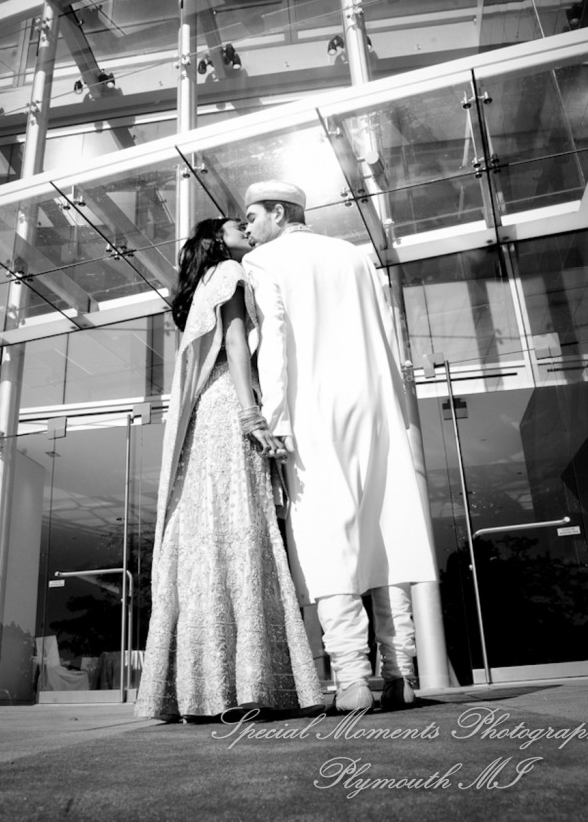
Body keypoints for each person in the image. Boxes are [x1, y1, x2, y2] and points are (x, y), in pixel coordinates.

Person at [242, 181, 437, 714]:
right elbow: (387, 334)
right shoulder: (355, 255)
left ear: (278, 213)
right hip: (375, 405)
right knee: (387, 531)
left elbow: (274, 343)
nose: (248, 228)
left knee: (326, 537)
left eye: (252, 217)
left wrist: (274, 421)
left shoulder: (263, 261)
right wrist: (397, 409)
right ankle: (401, 674)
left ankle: (351, 679)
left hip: (313, 410)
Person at [134, 217, 324, 722]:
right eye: (238, 225)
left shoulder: (202, 284)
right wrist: (250, 414)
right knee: (241, 526)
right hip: (230, 402)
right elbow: (237, 343)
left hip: (205, 412)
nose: (247, 228)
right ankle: (249, 682)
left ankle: (199, 687)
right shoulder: (231, 273)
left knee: (206, 533)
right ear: (219, 240)